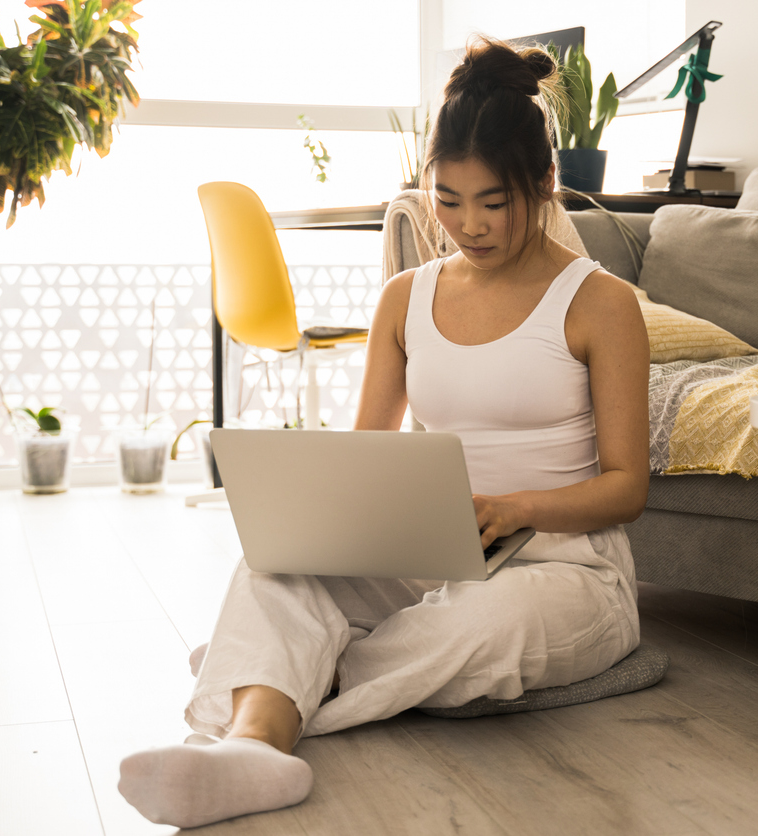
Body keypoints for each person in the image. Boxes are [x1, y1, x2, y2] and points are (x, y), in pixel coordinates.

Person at [118, 38, 650, 829]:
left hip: (567, 570)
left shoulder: (599, 302)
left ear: (542, 184)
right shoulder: (407, 297)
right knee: (275, 574)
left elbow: (627, 488)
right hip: (435, 556)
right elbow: (364, 456)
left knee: (479, 624)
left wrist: (518, 508)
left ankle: (266, 682)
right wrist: (318, 516)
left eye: (493, 202)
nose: (467, 225)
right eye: (447, 198)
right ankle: (253, 752)